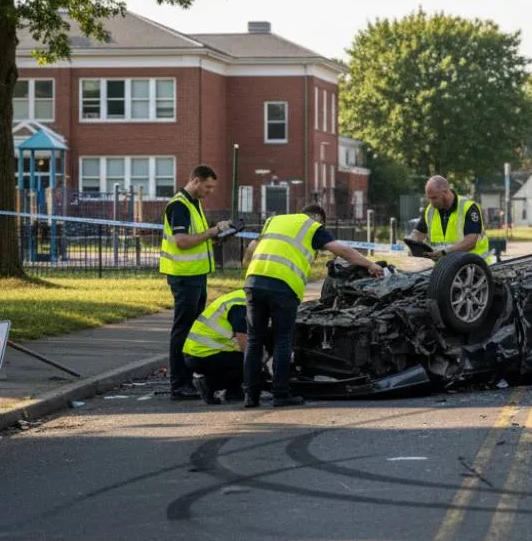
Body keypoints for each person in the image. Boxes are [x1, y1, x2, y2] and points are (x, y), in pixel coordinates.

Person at [242, 202, 385, 407]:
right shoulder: (312, 227)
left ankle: (250, 396)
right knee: (283, 340)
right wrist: (369, 264)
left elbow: (251, 247)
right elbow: (342, 250)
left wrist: (248, 270)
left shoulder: (274, 221)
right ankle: (281, 395)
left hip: (253, 283)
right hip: (283, 287)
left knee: (254, 339)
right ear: (318, 220)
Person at [160, 164, 231, 401]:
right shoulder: (179, 205)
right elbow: (181, 242)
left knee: (191, 330)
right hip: (184, 277)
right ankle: (179, 385)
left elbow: (195, 240)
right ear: (196, 180)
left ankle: (188, 381)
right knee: (182, 330)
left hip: (196, 275)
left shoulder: (194, 204)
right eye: (208, 186)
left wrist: (217, 236)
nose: (209, 191)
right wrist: (212, 232)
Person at [182, 288, 255, 405]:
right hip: (202, 355)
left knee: (246, 359)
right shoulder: (241, 305)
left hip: (197, 351)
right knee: (250, 361)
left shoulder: (240, 296)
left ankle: (233, 392)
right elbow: (243, 340)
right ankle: (208, 384)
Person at [409, 175, 493, 262]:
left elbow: (470, 242)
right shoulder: (430, 210)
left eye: (434, 198)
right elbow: (418, 234)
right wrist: (411, 244)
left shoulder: (468, 207)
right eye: (429, 198)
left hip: (473, 267)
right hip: (446, 268)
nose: (431, 202)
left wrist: (445, 252)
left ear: (445, 192)